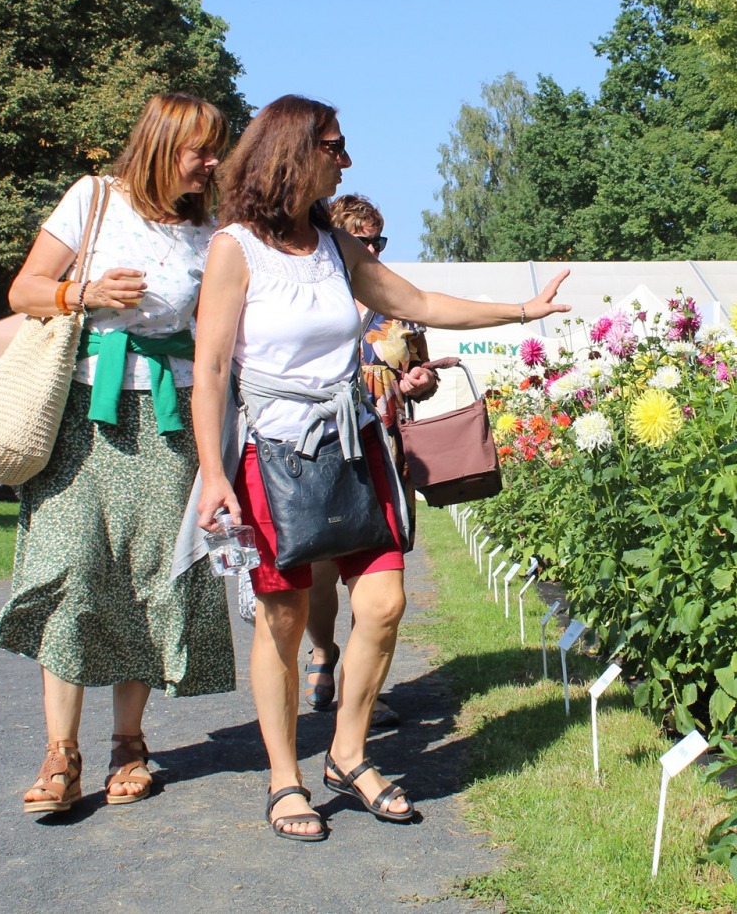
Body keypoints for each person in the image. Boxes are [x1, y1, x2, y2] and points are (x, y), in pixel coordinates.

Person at [191, 95, 568, 842]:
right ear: (295, 152)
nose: (347, 158)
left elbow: (419, 300)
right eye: (335, 144)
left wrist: (523, 312)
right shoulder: (235, 248)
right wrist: (213, 472)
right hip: (276, 448)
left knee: (385, 603)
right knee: (284, 618)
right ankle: (283, 778)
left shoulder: (334, 243)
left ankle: (349, 752)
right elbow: (208, 371)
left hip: (353, 439)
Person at [0, 92, 235, 815]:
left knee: (151, 575)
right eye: (203, 150)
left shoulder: (212, 230)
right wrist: (83, 291)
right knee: (69, 569)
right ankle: (59, 754)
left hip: (171, 422)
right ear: (163, 145)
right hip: (81, 417)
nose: (213, 163)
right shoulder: (93, 199)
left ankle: (129, 743)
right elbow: (23, 287)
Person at [302, 193, 437, 728]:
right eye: (362, 237)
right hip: (321, 451)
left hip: (382, 454)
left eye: (378, 238)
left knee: (376, 582)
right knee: (317, 573)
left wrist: (420, 382)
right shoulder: (311, 300)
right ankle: (324, 652)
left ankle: (362, 695)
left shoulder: (393, 306)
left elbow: (422, 374)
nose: (373, 247)